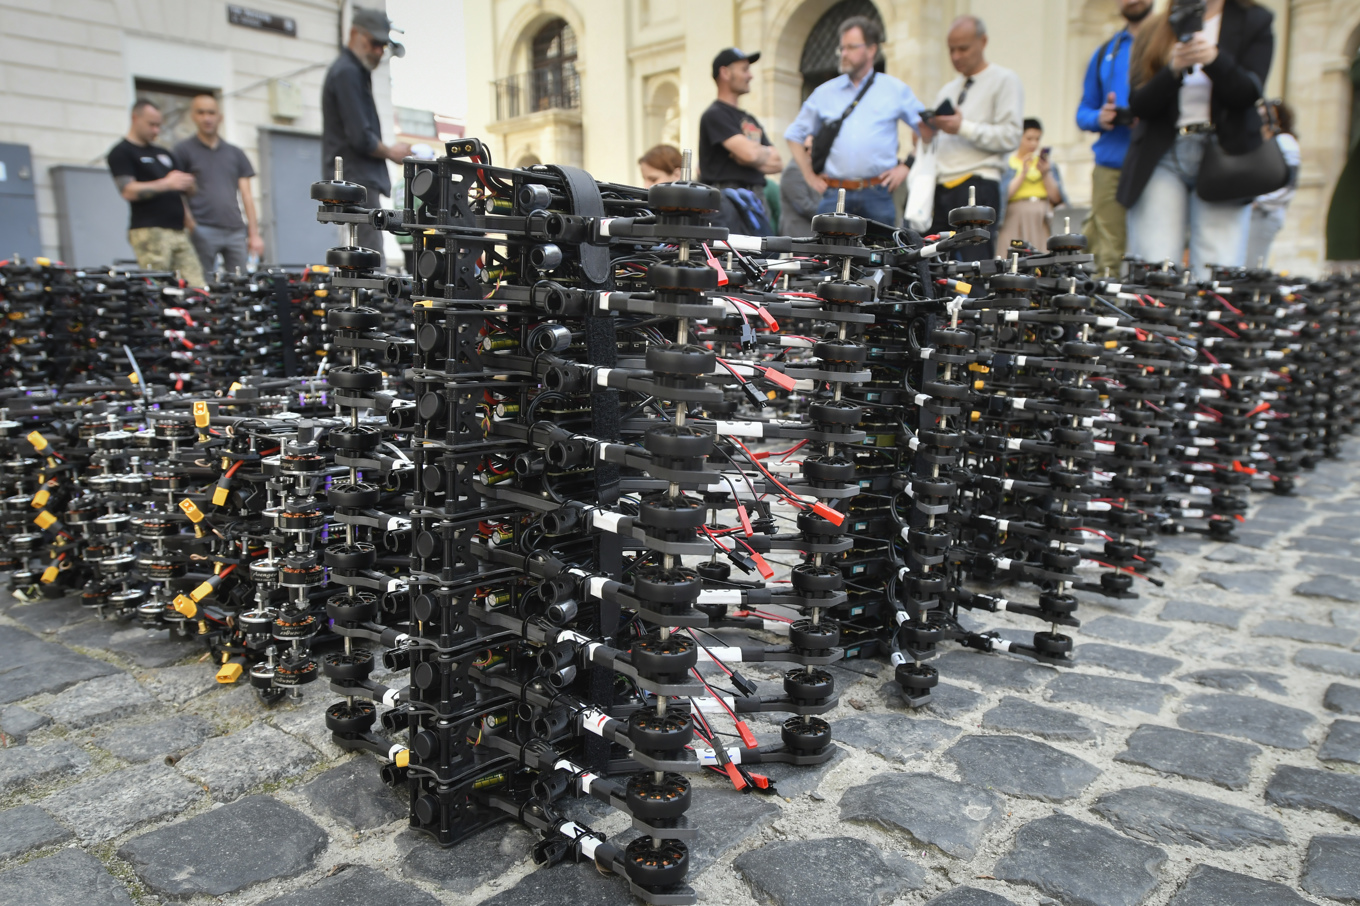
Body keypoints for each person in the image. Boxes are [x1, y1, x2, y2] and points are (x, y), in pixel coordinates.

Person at [1120, 0, 1274, 279]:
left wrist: (1215, 59)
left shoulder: (1254, 20)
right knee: (1155, 266)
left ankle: (1208, 309)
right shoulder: (1155, 27)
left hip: (1226, 155)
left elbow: (1249, 93)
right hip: (1162, 155)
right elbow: (1139, 104)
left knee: (1218, 267)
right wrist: (1173, 70)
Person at [784, 15, 925, 224]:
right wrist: (809, 177)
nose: (844, 54)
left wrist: (907, 166)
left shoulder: (894, 90)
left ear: (871, 49)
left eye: (851, 47)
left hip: (878, 194)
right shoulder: (825, 93)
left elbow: (928, 129)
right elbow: (794, 135)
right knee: (828, 246)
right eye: (842, 48)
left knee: (880, 246)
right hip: (835, 195)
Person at [923, 15, 1024, 260]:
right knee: (931, 267)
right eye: (951, 50)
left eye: (963, 48)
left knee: (974, 268)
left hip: (978, 186)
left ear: (983, 41)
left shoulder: (1004, 80)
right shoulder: (947, 90)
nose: (956, 56)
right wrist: (926, 135)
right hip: (940, 188)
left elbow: (1010, 136)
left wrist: (963, 127)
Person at [322, 6, 411, 255]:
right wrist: (392, 152)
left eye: (383, 46)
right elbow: (361, 137)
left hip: (355, 179)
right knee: (369, 258)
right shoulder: (348, 72)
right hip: (356, 180)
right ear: (355, 34)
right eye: (374, 43)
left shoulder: (352, 72)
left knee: (363, 255)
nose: (379, 51)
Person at [1076, 0, 1153, 274]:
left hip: (1158, 162)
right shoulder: (1106, 52)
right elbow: (1083, 112)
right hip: (1111, 164)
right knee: (1108, 256)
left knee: (1154, 252)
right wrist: (1101, 117)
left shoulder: (1169, 42)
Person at [106, 99, 205, 286]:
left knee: (196, 285)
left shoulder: (163, 153)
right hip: (150, 231)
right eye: (151, 125)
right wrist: (166, 184)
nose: (156, 130)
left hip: (178, 230)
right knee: (159, 286)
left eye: (159, 125)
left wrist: (188, 186)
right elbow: (128, 191)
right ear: (135, 118)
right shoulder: (122, 152)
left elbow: (182, 191)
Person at [173, 94, 264, 277]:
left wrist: (254, 235)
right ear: (193, 116)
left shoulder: (235, 153)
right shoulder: (183, 151)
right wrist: (191, 225)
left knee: (241, 282)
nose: (207, 118)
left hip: (235, 230)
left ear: (220, 117)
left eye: (211, 113)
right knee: (202, 282)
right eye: (201, 113)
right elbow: (175, 192)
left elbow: (247, 195)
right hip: (202, 228)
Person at [699, 48, 781, 236]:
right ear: (725, 73)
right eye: (744, 69)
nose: (750, 76)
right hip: (727, 200)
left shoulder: (749, 119)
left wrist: (749, 155)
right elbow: (750, 154)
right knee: (732, 253)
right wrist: (755, 154)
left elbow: (777, 162)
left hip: (757, 199)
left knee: (762, 252)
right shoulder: (715, 114)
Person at [996, 119, 1067, 253]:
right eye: (1029, 139)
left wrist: (1045, 173)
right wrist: (1023, 173)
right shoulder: (1007, 163)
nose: (1033, 143)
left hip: (1041, 220)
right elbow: (1003, 195)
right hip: (1014, 218)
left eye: (1037, 139)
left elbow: (1057, 198)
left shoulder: (1046, 164)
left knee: (1041, 256)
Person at [1245, 100, 1300, 267]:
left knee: (1251, 267)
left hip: (1263, 214)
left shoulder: (1284, 141)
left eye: (1266, 116)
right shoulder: (1263, 142)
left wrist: (1258, 203)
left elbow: (1289, 183)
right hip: (1255, 212)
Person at [780, 136, 822, 237]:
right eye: (806, 148)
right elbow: (804, 207)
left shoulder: (813, 169)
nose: (810, 152)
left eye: (814, 148)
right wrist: (830, 217)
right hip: (799, 234)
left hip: (810, 233)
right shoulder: (793, 170)